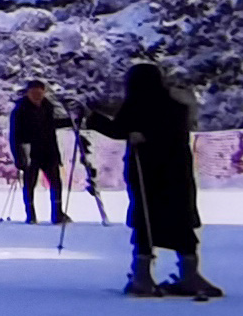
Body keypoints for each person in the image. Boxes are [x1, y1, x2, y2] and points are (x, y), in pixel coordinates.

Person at [81, 57, 217, 296]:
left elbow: (118, 129)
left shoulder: (137, 103)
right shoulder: (176, 105)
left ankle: (142, 275)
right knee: (180, 218)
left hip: (147, 171)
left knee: (146, 219)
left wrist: (92, 118)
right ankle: (189, 273)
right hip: (178, 174)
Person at [9, 78, 67, 226]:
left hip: (48, 151)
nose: (37, 96)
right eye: (34, 93)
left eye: (40, 93)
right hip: (30, 152)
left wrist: (70, 121)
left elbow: (51, 126)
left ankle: (57, 214)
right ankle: (31, 214)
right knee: (30, 184)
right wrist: (19, 157)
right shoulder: (20, 110)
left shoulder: (48, 106)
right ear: (28, 93)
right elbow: (14, 135)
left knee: (56, 183)